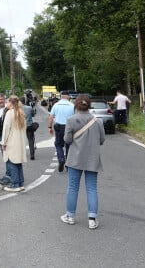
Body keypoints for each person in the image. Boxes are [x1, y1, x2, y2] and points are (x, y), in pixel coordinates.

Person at [60, 94, 105, 229]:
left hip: (75, 158)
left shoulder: (71, 120)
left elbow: (67, 140)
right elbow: (102, 140)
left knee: (73, 187)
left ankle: (70, 216)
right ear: (89, 105)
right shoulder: (98, 121)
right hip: (92, 159)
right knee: (92, 188)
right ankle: (92, 219)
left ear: (76, 105)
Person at [1, 95, 28, 192]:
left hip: (11, 142)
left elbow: (6, 130)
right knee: (18, 163)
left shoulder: (9, 113)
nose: (6, 104)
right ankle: (20, 183)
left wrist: (3, 142)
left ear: (11, 103)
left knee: (12, 162)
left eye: (7, 102)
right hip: (20, 142)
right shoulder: (21, 113)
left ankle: (15, 184)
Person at [49, 91, 75, 172]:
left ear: (61, 96)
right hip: (69, 127)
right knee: (69, 145)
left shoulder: (56, 105)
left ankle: (61, 159)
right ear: (68, 97)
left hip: (59, 127)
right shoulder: (72, 105)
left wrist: (50, 127)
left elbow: (51, 117)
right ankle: (68, 164)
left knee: (58, 144)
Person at [0, 93, 11, 185]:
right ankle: (9, 174)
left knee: (7, 155)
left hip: (6, 135)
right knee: (4, 156)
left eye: (1, 99)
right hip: (0, 134)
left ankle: (9, 175)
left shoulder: (7, 109)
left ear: (4, 100)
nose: (0, 101)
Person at [21, 96, 36, 160]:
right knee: (30, 140)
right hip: (29, 125)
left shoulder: (17, 109)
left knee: (21, 140)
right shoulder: (29, 108)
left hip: (21, 127)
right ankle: (32, 154)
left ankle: (22, 154)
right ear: (25, 101)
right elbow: (33, 114)